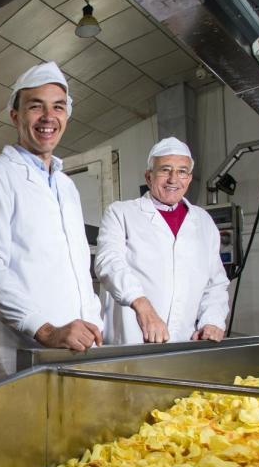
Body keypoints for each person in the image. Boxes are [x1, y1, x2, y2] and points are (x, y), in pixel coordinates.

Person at [0, 62, 103, 382]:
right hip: (23, 353)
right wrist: (46, 330)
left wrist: (94, 323)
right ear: (16, 116)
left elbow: (78, 270)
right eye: (35, 106)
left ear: (66, 117)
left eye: (58, 107)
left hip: (78, 349)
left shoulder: (67, 186)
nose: (48, 117)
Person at [95, 137, 229, 345]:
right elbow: (109, 263)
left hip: (184, 342)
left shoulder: (203, 221)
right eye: (165, 170)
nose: (173, 179)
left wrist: (212, 321)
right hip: (131, 341)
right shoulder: (121, 213)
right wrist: (142, 306)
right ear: (149, 177)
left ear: (189, 178)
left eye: (182, 171)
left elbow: (216, 283)